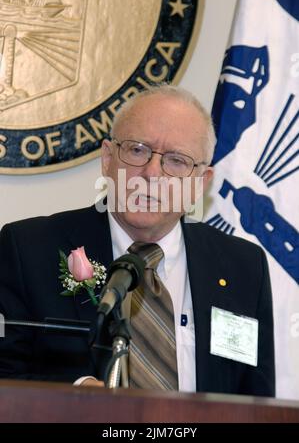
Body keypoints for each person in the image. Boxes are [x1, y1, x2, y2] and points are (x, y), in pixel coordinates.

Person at [0, 85, 275, 396]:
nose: (152, 173)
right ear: (107, 159)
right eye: (137, 150)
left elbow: (256, 401)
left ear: (200, 183)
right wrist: (74, 394)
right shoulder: (29, 250)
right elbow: (6, 372)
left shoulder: (243, 266)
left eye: (177, 160)